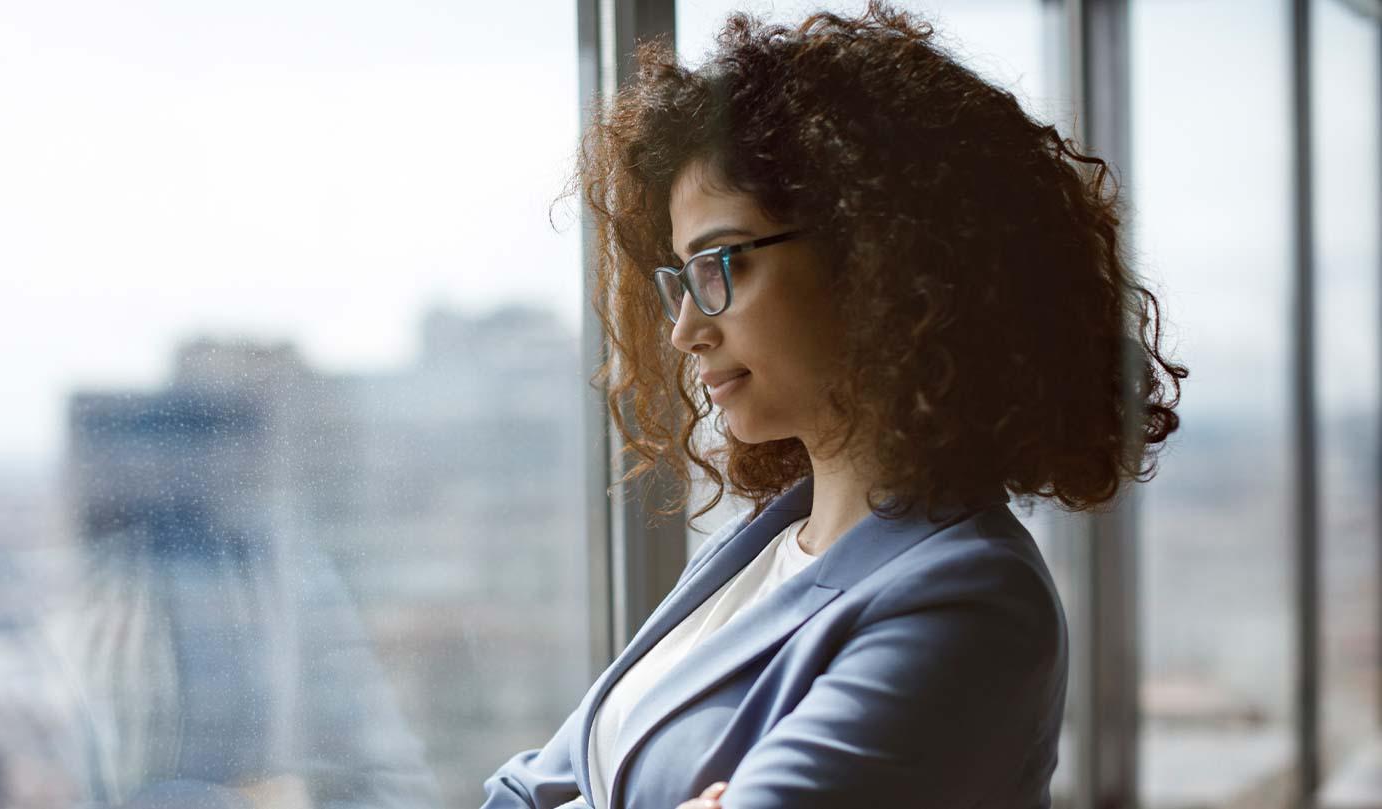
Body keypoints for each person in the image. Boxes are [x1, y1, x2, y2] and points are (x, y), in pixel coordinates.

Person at [482, 3, 1187, 809]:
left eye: (718, 264)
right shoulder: (774, 538)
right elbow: (518, 788)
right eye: (679, 278)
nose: (683, 330)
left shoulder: (970, 601)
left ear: (879, 254)